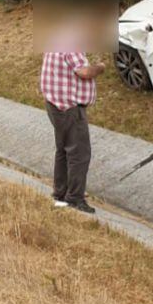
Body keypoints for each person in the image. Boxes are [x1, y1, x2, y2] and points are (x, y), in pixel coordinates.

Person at [40, 51, 103, 214]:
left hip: (54, 104)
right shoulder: (72, 44)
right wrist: (100, 67)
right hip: (69, 108)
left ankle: (61, 193)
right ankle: (75, 198)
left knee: (63, 150)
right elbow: (84, 72)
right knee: (79, 154)